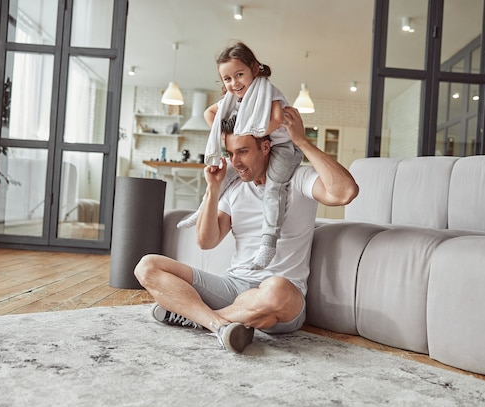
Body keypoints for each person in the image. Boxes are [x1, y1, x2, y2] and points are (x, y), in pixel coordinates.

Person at [134, 107, 359, 353]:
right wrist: (213, 189)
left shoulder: (298, 178)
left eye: (242, 151)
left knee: (275, 290)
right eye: (230, 153)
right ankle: (220, 325)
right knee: (147, 265)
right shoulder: (234, 188)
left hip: (282, 298)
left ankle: (198, 316)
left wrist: (301, 141)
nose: (236, 162)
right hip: (233, 286)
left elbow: (345, 192)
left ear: (265, 148)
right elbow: (206, 241)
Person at [177, 42, 303, 270]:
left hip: (283, 149)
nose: (234, 83)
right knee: (221, 178)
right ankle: (199, 213)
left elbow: (276, 119)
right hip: (259, 147)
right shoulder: (233, 99)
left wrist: (249, 133)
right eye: (227, 79)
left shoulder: (268, 91)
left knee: (274, 188)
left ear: (254, 69)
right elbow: (209, 113)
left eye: (239, 75)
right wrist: (225, 136)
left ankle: (268, 243)